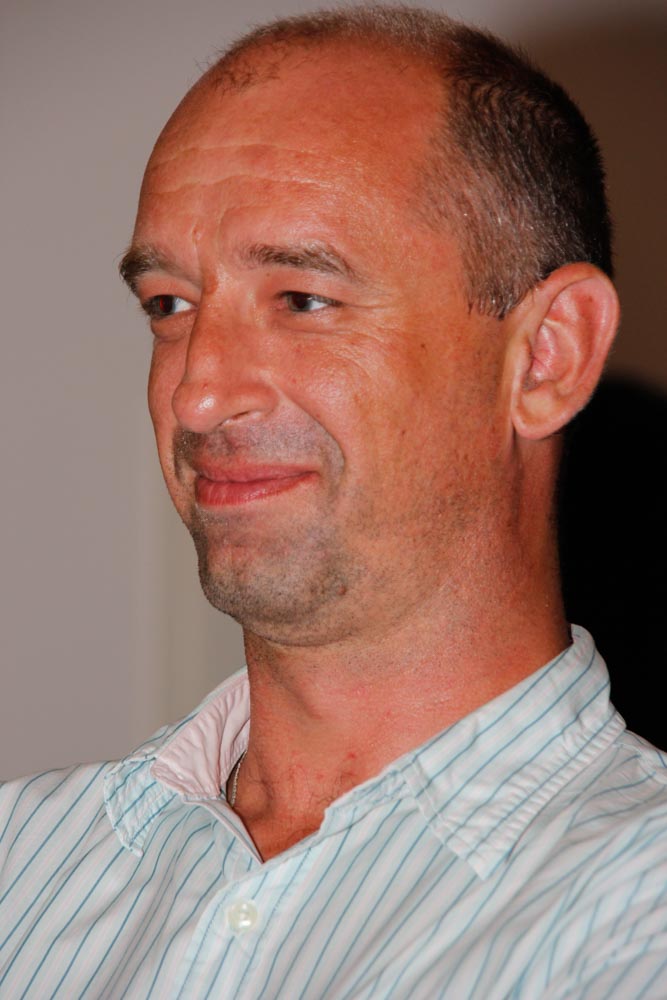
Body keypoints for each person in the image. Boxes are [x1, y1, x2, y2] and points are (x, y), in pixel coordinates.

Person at [1, 6, 666, 997]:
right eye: (169, 305)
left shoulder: (638, 914)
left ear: (545, 356)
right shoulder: (21, 864)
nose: (198, 393)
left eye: (302, 300)